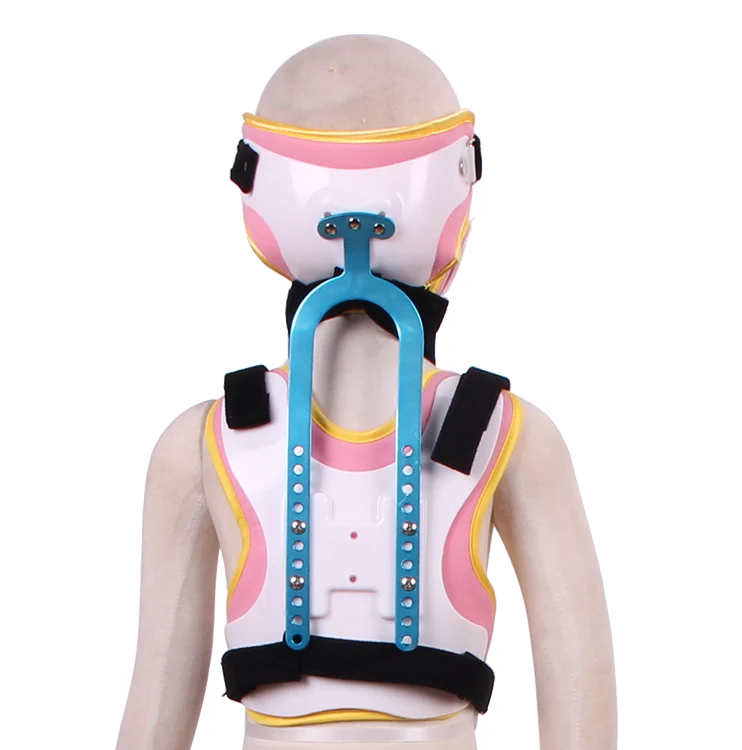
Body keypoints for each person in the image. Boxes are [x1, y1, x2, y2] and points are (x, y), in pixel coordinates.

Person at [117, 34, 617, 750]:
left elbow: (154, 705)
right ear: (455, 193)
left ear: (259, 199)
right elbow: (582, 706)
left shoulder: (203, 442)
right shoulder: (511, 434)